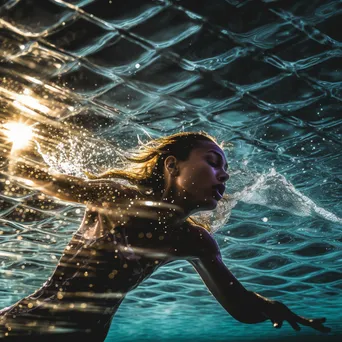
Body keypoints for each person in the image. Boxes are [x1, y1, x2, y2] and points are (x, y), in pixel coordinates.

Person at [0, 131, 330, 341]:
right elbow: (32, 176)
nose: (224, 175)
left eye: (225, 171)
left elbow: (241, 307)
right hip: (20, 330)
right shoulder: (116, 198)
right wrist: (19, 136)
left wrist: (274, 307)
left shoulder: (194, 241)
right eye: (214, 163)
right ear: (172, 166)